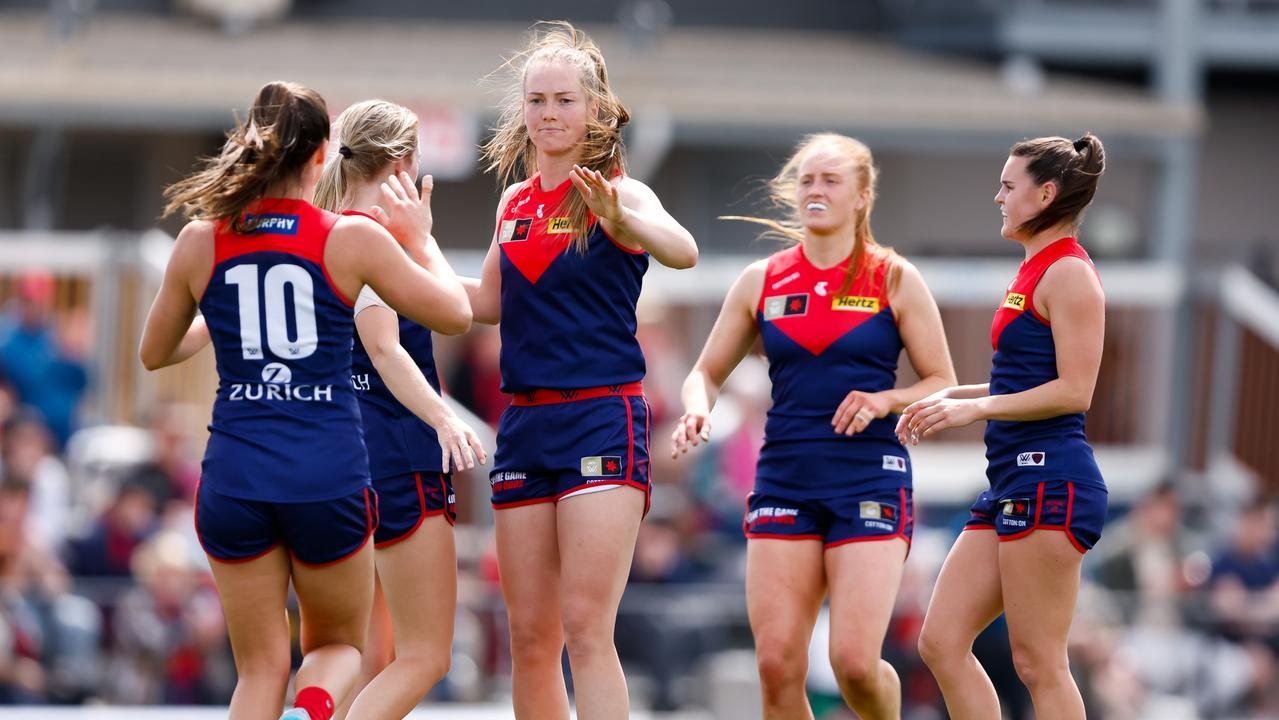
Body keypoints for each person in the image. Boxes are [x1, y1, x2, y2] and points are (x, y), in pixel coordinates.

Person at [138, 80, 471, 720]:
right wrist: (422, 238)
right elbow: (455, 315)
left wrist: (227, 313)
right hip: (328, 475)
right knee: (339, 645)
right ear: (323, 155)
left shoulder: (201, 241)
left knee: (259, 668)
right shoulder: (348, 237)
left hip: (234, 477)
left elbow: (156, 353)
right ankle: (315, 705)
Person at [671, 133, 955, 719]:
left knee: (854, 663)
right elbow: (705, 372)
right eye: (806, 180)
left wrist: (886, 399)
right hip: (785, 480)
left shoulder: (894, 279)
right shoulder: (762, 280)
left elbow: (941, 384)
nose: (815, 190)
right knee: (777, 666)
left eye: (830, 180)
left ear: (862, 196)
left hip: (867, 481)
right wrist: (698, 407)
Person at [465, 21, 698, 720]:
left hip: (601, 414)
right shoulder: (513, 204)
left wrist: (626, 226)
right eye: (536, 101)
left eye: (563, 100)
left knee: (586, 627)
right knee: (531, 637)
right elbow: (481, 304)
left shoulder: (620, 192)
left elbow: (681, 251)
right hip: (525, 422)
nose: (548, 114)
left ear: (594, 108)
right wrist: (402, 259)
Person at [901, 133, 1108, 720]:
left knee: (1039, 662)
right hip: (1013, 479)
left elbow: (1075, 391)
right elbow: (1025, 382)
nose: (997, 197)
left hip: (1052, 479)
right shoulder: (1034, 268)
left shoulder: (1069, 273)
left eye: (1008, 186)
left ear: (1046, 195)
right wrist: (954, 396)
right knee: (939, 641)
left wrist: (977, 408)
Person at [312, 98, 487, 719]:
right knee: (424, 655)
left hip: (335, 458)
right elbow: (388, 345)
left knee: (355, 650)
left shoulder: (326, 231)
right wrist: (442, 415)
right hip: (396, 455)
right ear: (402, 162)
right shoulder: (371, 238)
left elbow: (476, 302)